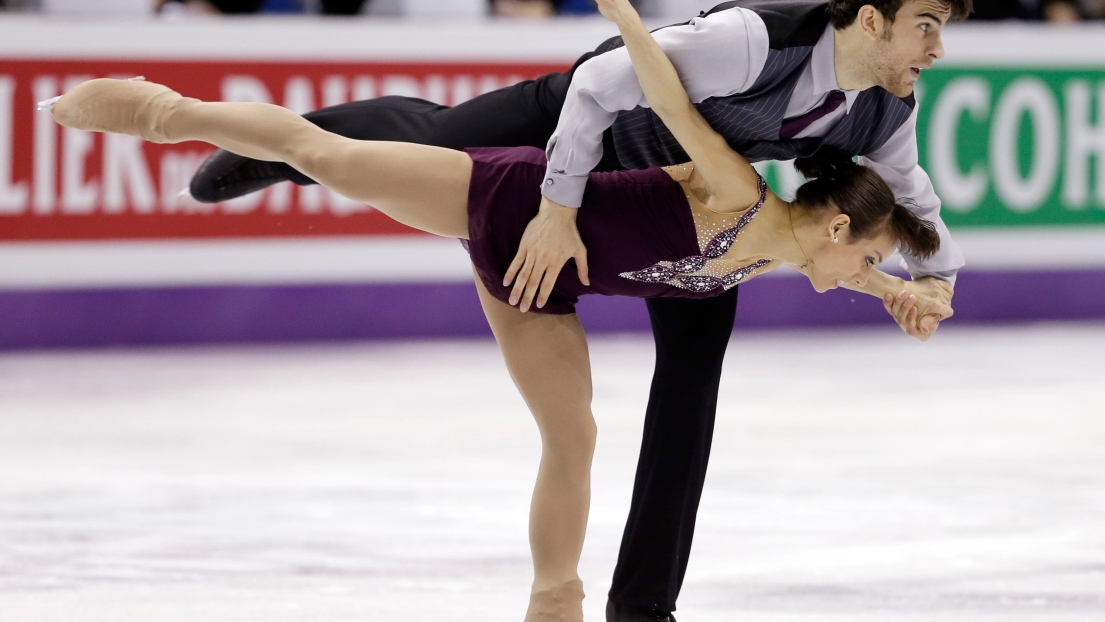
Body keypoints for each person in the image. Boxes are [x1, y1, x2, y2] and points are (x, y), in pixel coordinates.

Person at [43, 2, 947, 619]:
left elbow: (894, 232)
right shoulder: (747, 140)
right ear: (871, 19)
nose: (935, 51)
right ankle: (170, 115)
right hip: (529, 192)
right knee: (346, 153)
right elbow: (649, 89)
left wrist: (911, 288)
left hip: (550, 282)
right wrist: (628, 23)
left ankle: (570, 600)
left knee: (588, 430)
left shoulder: (843, 179)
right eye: (929, 26)